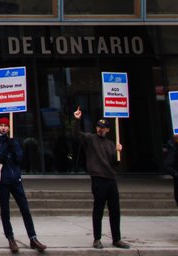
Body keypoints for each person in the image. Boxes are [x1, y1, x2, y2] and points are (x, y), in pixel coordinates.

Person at [71, 107, 128, 250]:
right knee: (98, 210)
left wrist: (118, 152)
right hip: (98, 179)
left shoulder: (110, 144)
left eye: (103, 127)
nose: (100, 129)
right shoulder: (90, 139)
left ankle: (117, 238)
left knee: (115, 210)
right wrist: (77, 120)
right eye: (98, 126)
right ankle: (97, 239)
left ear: (108, 130)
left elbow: (115, 163)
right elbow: (76, 134)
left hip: (110, 179)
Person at [0, 117, 46, 253]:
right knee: (5, 211)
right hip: (3, 181)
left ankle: (33, 237)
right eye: (1, 125)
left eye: (5, 126)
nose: (3, 128)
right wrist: (7, 145)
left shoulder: (14, 141)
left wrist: (13, 147)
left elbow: (19, 159)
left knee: (25, 209)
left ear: (9, 128)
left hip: (16, 180)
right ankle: (10, 238)